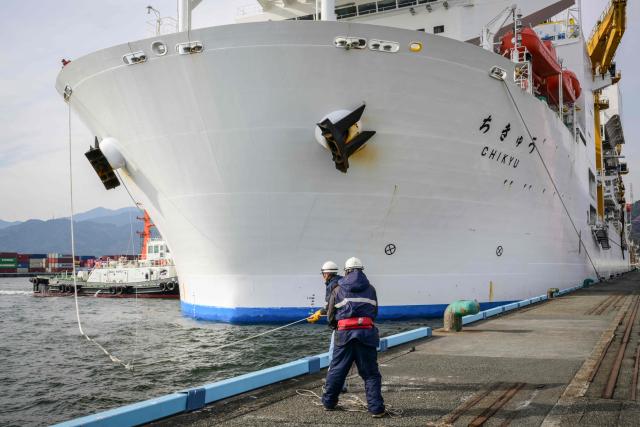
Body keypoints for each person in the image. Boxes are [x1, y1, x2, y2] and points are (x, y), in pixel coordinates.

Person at [321, 257, 385, 418]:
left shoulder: (337, 289)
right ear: (362, 270)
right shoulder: (371, 289)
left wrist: (335, 327)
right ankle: (376, 409)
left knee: (337, 370)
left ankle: (329, 403)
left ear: (346, 271)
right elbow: (374, 312)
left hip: (344, 335)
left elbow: (330, 315)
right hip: (366, 334)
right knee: (370, 373)